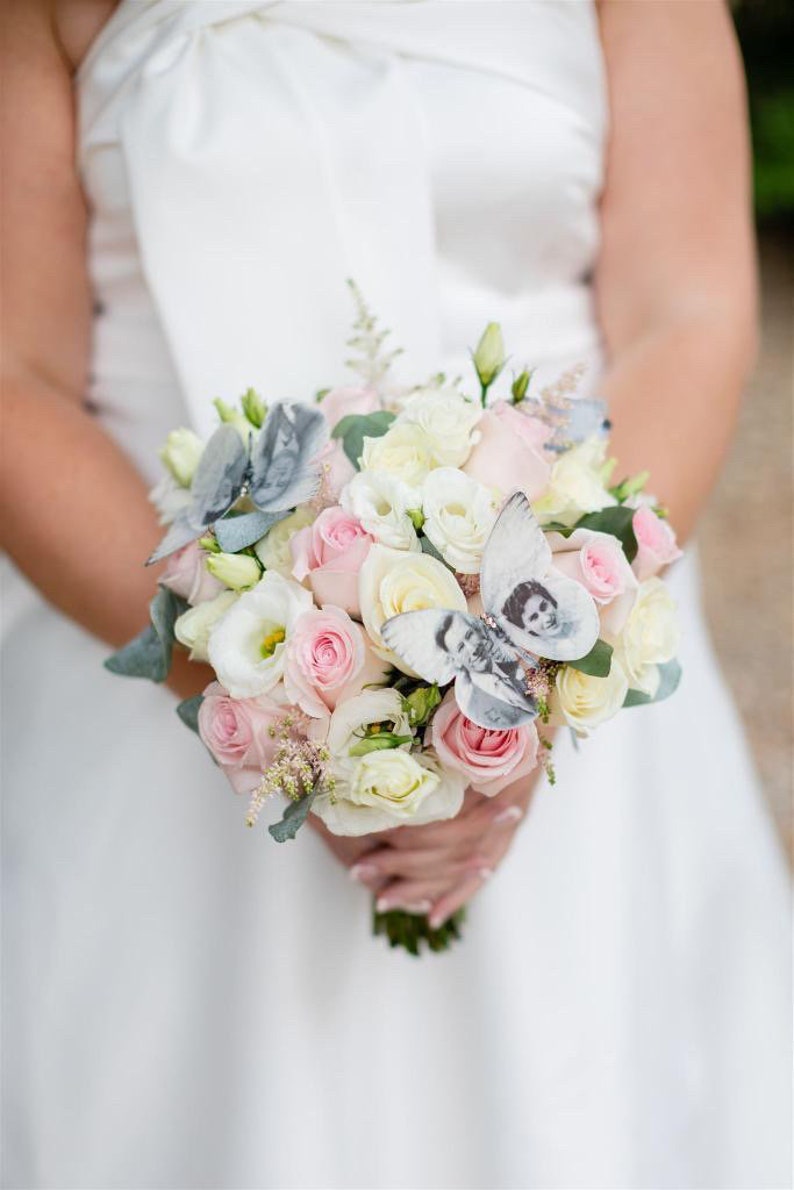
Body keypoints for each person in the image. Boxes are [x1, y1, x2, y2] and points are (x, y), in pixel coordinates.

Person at [2, 2, 790, 1187]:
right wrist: (280, 700)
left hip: (560, 672)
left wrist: (528, 676)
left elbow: (685, 309)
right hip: (156, 682)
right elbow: (15, 374)